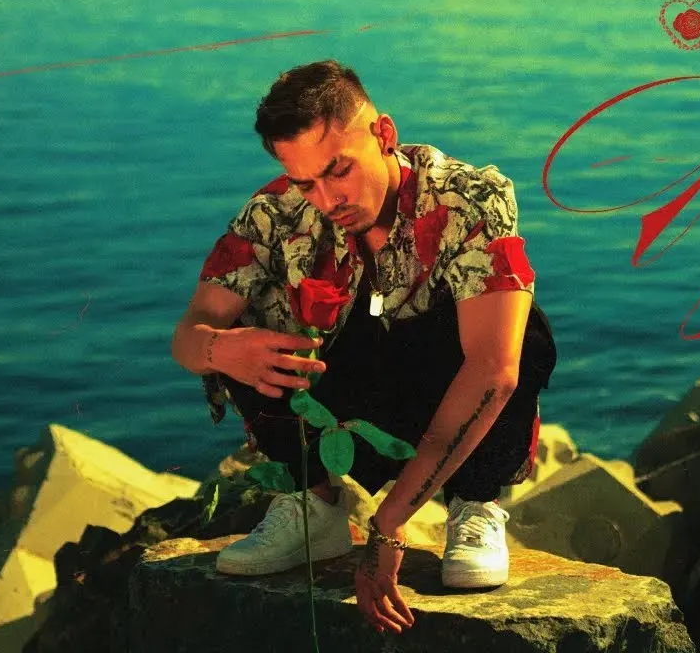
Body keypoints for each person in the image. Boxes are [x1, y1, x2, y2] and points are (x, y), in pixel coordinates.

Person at [171, 60, 556, 635]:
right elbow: (188, 333)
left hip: (443, 407)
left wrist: (388, 527)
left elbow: (494, 371)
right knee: (239, 326)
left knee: (519, 329)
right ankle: (313, 505)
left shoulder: (469, 197)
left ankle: (474, 502)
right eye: (306, 182)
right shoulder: (274, 213)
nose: (328, 199)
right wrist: (219, 350)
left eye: (339, 171)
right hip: (346, 410)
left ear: (384, 135)